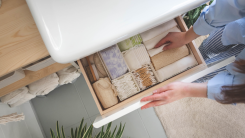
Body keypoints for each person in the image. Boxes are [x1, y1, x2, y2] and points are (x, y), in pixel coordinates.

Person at [141, 0, 245, 109]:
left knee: (205, 73)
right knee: (208, 47)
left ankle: (194, 75)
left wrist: (186, 90)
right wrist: (187, 36)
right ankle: (197, 63)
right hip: (239, 27)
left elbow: (235, 88)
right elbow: (229, 7)